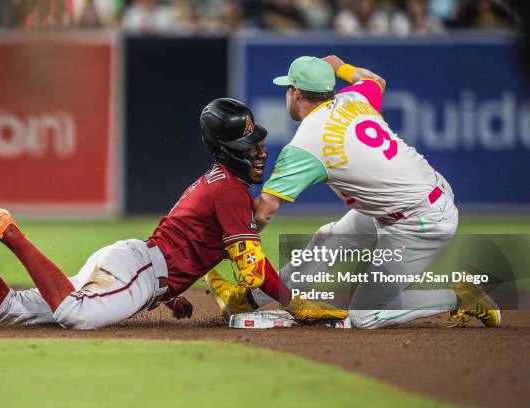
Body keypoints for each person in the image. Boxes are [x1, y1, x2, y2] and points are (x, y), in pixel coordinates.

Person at [0, 98, 346, 330]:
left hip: (136, 264)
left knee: (11, 309)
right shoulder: (231, 193)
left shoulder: (214, 182)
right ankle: (10, 232)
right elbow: (251, 270)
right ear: (224, 152)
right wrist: (294, 304)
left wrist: (169, 292)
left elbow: (182, 243)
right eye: (247, 147)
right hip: (139, 270)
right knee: (75, 315)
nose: (259, 151)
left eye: (258, 141)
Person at [204, 56, 501, 329]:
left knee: (364, 316)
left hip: (420, 220)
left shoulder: (305, 144)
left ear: (295, 92)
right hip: (406, 199)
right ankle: (246, 299)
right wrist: (340, 65)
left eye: (287, 88)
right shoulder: (354, 98)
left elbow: (264, 212)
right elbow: (376, 81)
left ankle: (461, 296)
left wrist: (223, 240)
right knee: (329, 239)